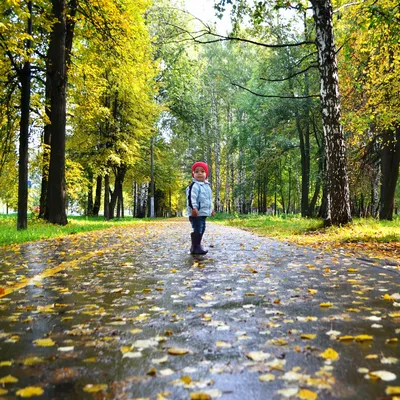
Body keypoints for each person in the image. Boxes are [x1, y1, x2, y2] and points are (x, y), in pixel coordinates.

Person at [186, 161, 214, 255]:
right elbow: (191, 198)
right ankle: (196, 247)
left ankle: (196, 245)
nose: (200, 173)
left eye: (202, 171)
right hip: (196, 213)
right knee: (198, 228)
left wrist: (211, 209)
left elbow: (209, 199)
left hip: (203, 213)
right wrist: (194, 208)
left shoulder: (207, 186)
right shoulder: (194, 186)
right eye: (197, 171)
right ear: (193, 174)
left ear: (206, 174)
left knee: (202, 228)